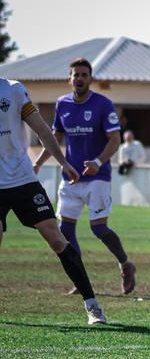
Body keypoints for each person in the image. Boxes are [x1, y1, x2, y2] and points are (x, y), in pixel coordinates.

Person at [1, 76, 106, 324]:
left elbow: (43, 130)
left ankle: (91, 304)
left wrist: (64, 162)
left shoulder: (13, 89)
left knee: (57, 240)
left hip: (22, 180)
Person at [31, 57, 135, 294]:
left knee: (99, 229)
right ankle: (81, 280)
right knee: (65, 231)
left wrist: (98, 162)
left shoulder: (103, 104)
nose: (79, 79)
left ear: (90, 79)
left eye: (83, 75)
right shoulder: (62, 104)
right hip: (70, 177)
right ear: (69, 79)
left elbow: (115, 139)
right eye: (75, 75)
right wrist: (37, 163)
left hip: (98, 177)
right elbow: (53, 139)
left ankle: (125, 263)